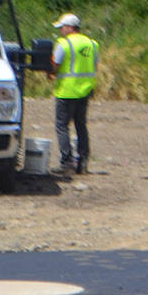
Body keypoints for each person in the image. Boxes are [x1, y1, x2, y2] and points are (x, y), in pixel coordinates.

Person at [50, 13, 98, 175]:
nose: (60, 31)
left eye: (62, 28)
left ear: (69, 28)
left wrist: (50, 74)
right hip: (85, 91)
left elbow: (55, 65)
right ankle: (83, 162)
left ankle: (67, 163)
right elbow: (95, 65)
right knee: (81, 126)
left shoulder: (63, 44)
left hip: (66, 91)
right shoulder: (92, 44)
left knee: (62, 127)